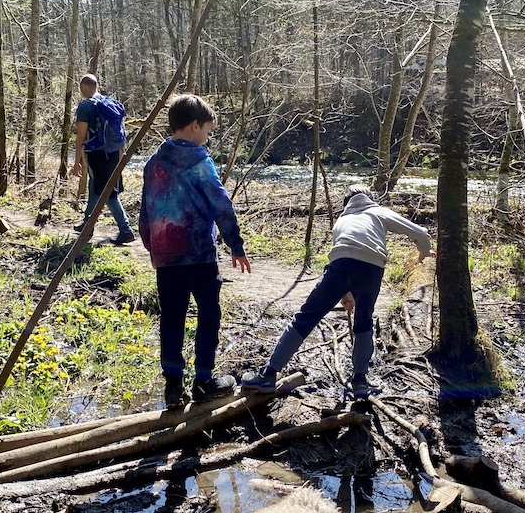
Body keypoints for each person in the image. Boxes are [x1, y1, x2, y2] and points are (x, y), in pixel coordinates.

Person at [242, 187, 434, 398]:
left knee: (305, 317)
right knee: (364, 322)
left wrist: (345, 294)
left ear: (346, 204)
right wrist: (423, 253)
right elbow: (421, 233)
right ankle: (360, 381)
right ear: (368, 199)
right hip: (372, 269)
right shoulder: (378, 212)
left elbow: (343, 256)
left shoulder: (341, 221)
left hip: (340, 266)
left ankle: (269, 375)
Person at [140, 94, 251, 409]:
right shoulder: (200, 161)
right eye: (207, 131)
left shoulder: (153, 162)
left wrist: (153, 247)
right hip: (199, 254)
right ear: (194, 126)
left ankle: (173, 387)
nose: (207, 138)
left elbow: (145, 211)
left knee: (172, 318)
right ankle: (203, 381)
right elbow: (221, 204)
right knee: (209, 313)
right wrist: (235, 244)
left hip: (165, 256)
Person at [71, 73, 136, 244]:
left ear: (84, 87)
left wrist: (77, 160)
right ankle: (87, 224)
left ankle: (125, 229)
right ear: (97, 86)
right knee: (96, 186)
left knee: (108, 193)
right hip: (114, 152)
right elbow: (122, 132)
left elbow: (81, 136)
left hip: (97, 154)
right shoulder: (112, 104)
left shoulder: (85, 106)